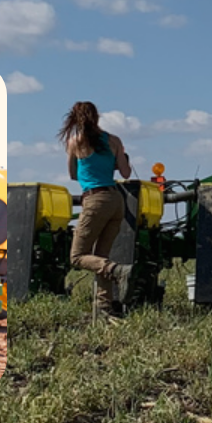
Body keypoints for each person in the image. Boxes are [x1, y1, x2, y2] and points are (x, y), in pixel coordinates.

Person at [62, 101, 132, 317]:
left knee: (77, 256)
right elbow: (126, 173)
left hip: (95, 199)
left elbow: (73, 175)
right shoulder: (114, 141)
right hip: (116, 200)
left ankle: (118, 271)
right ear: (97, 117)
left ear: (75, 119)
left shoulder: (76, 142)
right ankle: (103, 309)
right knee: (101, 257)